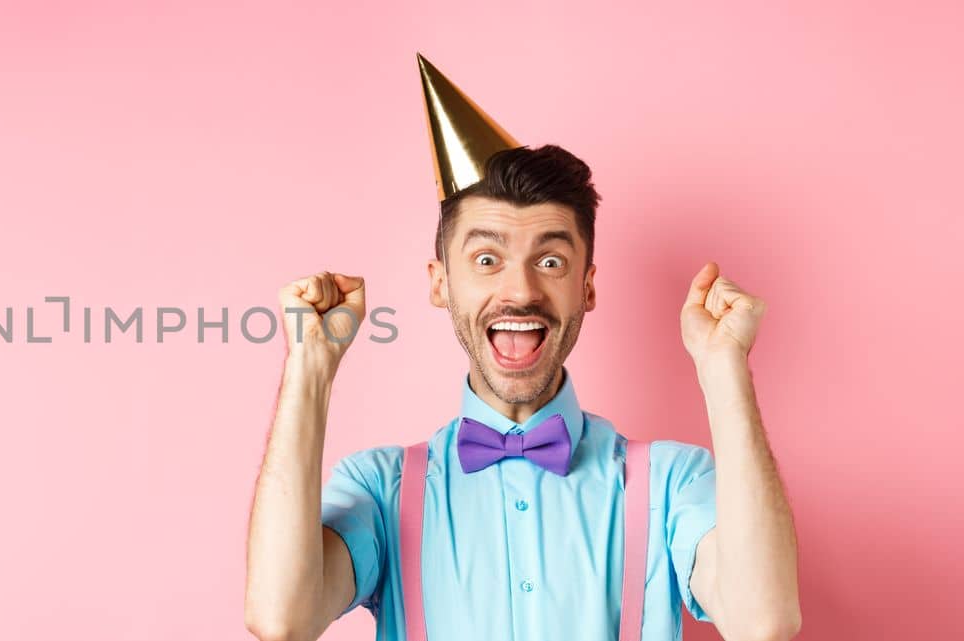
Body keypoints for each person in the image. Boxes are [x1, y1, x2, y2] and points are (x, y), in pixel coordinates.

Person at [242, 57, 801, 641]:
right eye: (487, 260)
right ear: (440, 282)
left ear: (586, 285)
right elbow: (282, 617)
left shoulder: (673, 481)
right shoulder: (380, 487)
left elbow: (764, 620)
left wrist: (725, 369)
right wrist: (310, 366)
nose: (520, 290)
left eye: (551, 260)